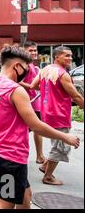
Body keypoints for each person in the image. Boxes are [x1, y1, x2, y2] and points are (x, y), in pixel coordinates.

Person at [0, 46, 80, 209]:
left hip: (0, 155)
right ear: (17, 66)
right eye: (26, 68)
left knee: (25, 197)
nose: (27, 73)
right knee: (3, 205)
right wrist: (65, 137)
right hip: (11, 158)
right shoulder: (16, 90)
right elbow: (35, 125)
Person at [30, 46, 84, 185]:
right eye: (66, 56)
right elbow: (76, 96)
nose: (70, 58)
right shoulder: (63, 74)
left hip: (47, 112)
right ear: (57, 56)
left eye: (71, 56)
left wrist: (52, 91)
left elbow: (34, 85)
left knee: (57, 143)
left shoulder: (45, 70)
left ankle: (44, 166)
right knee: (61, 146)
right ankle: (48, 176)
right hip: (59, 114)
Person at [19, 41, 45, 165]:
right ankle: (19, 156)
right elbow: (18, 81)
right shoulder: (24, 66)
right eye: (31, 50)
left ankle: (39, 155)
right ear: (24, 51)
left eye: (35, 50)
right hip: (26, 103)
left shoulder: (34, 67)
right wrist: (31, 87)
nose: (34, 52)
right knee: (24, 131)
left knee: (37, 130)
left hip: (35, 103)